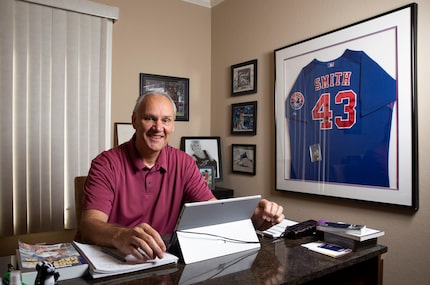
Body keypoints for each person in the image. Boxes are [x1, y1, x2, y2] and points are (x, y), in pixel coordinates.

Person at [78, 91, 284, 263]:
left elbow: (213, 212)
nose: (158, 128)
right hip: (115, 262)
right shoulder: (105, 164)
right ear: (134, 120)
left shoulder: (184, 163)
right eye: (149, 118)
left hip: (163, 260)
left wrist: (251, 217)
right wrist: (121, 235)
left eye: (165, 120)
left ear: (173, 125)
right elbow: (89, 225)